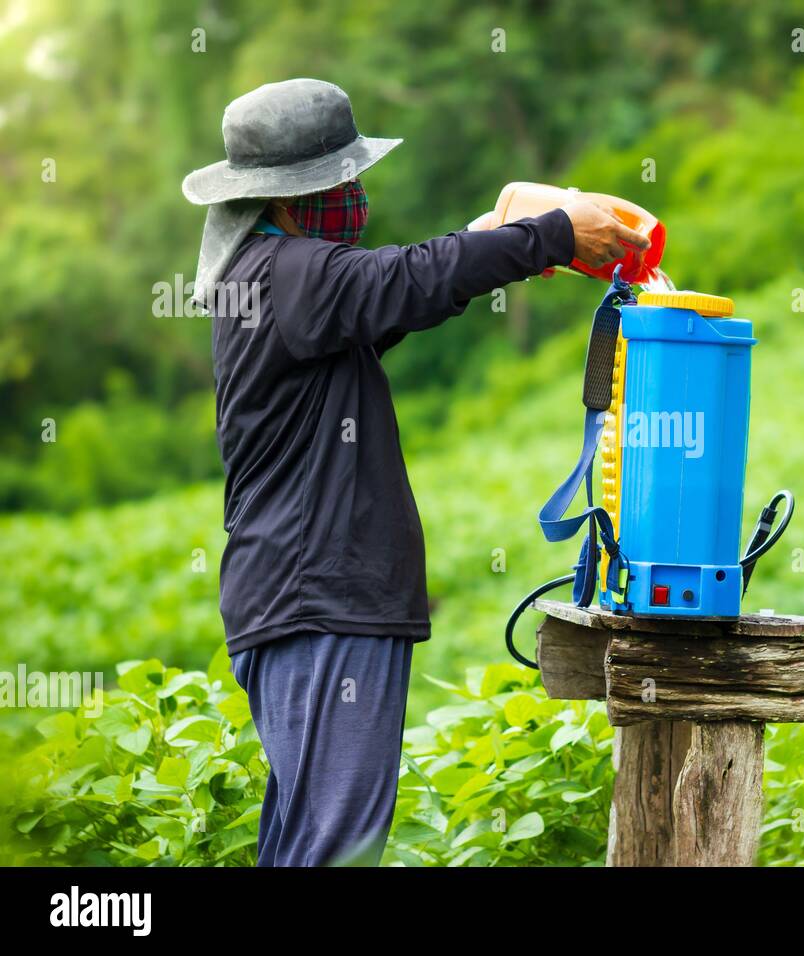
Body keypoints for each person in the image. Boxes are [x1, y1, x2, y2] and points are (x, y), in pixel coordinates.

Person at [181, 77, 648, 866]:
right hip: (318, 602)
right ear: (295, 197)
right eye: (342, 183)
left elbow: (396, 297)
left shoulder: (269, 283)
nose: (356, 198)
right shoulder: (290, 274)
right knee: (339, 847)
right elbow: (401, 280)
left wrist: (487, 240)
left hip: (297, 603)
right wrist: (553, 235)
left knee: (307, 843)